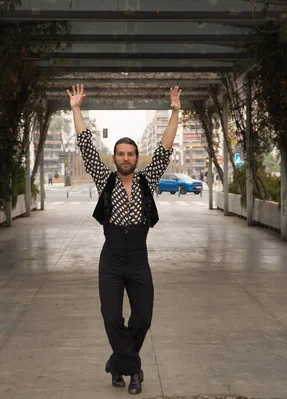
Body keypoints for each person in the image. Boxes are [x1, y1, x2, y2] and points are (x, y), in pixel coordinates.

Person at [66, 84, 181, 395]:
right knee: (111, 316)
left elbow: (165, 148)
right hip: (112, 258)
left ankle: (118, 361)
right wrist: (76, 109)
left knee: (143, 316)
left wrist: (174, 110)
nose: (126, 158)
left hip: (139, 258)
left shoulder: (147, 179)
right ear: (115, 157)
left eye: (130, 154)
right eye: (121, 153)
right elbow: (87, 148)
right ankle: (133, 371)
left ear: (136, 157)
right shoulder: (105, 179)